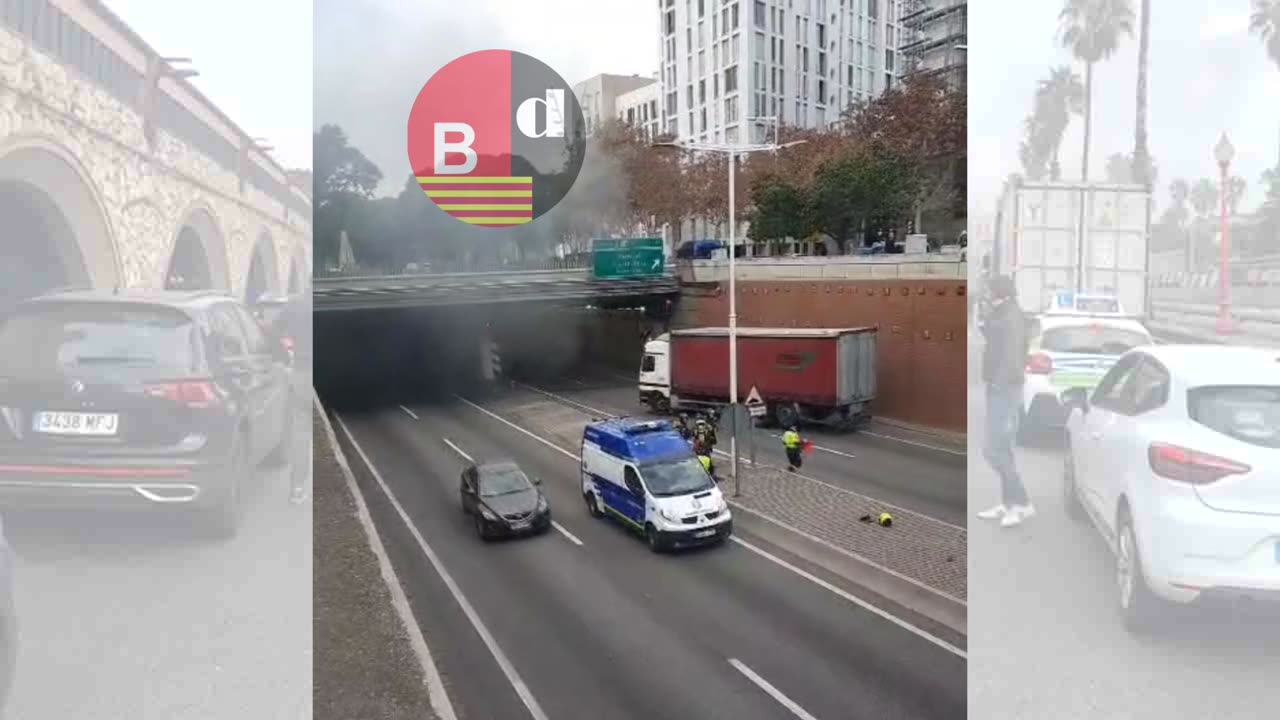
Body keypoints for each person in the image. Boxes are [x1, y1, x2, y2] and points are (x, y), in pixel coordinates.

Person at [977, 275, 1034, 527]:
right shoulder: (1003, 312)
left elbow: (1011, 353)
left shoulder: (1012, 316)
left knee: (993, 448)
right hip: (999, 386)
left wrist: (999, 383)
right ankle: (1009, 503)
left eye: (989, 290)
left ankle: (1021, 503)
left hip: (1005, 388)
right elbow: (990, 332)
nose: (986, 293)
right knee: (1002, 449)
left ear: (1000, 291)